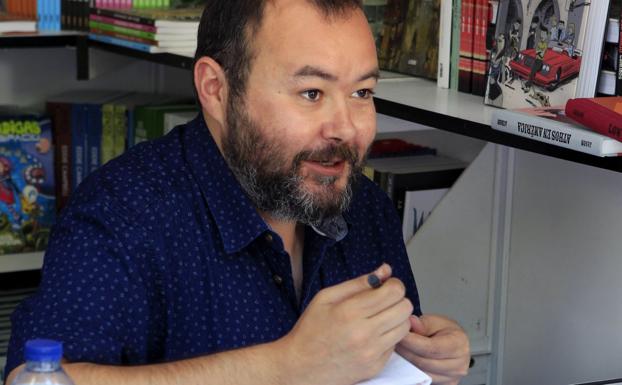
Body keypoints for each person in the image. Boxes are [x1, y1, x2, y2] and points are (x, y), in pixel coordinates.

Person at [5, 1, 470, 384]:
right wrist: (287, 365)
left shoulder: (362, 205)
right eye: (311, 92)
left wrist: (427, 359)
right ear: (216, 89)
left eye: (362, 93)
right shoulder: (123, 214)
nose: (346, 129)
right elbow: (36, 379)